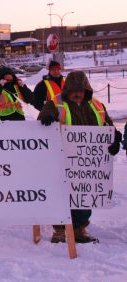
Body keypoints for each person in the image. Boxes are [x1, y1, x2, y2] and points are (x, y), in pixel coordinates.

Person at [38, 71, 122, 244]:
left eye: (81, 90)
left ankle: (79, 228)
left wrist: (114, 139)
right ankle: (60, 229)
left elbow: (108, 126)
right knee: (61, 195)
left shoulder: (97, 105)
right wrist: (45, 117)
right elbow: (42, 120)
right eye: (74, 90)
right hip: (61, 159)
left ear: (87, 90)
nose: (77, 93)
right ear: (68, 90)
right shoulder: (56, 103)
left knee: (84, 194)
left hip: (88, 163)